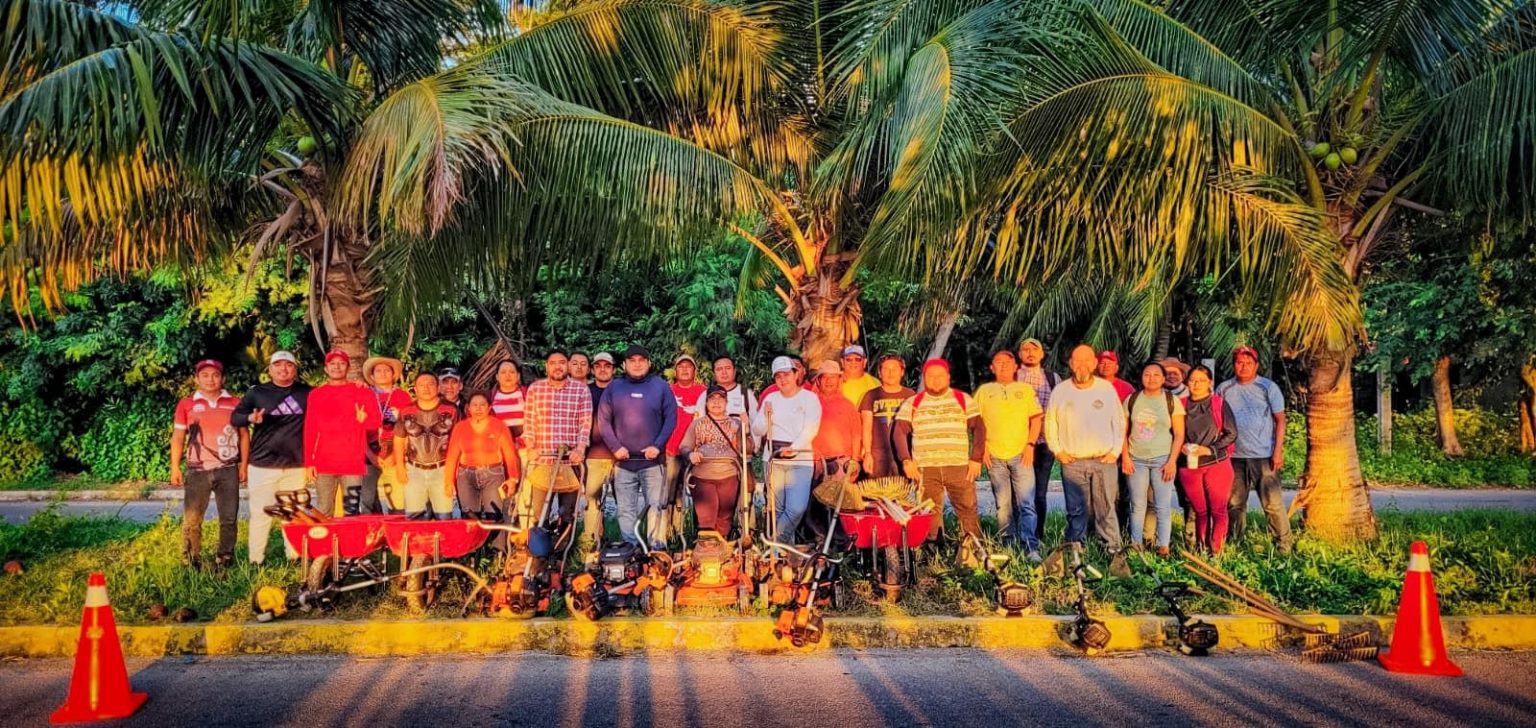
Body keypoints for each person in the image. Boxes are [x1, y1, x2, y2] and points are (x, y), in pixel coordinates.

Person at [893, 358, 986, 565]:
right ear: (924, 378)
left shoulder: (962, 399)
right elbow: (899, 432)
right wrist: (906, 460)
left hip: (959, 466)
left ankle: (973, 552)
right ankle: (933, 555)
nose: (935, 380)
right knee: (929, 512)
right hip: (926, 468)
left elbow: (979, 428)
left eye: (940, 375)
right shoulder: (914, 403)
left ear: (948, 377)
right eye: (930, 376)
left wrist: (976, 458)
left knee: (967, 508)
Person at [1044, 344, 1127, 558]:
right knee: (1076, 509)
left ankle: (1112, 548)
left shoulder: (1105, 389)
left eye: (1087, 360)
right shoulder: (1060, 391)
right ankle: (1075, 548)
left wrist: (1115, 451)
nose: (1082, 365)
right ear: (1071, 364)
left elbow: (1119, 421)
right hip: (1072, 461)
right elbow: (1050, 422)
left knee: (1106, 507)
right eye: (1077, 360)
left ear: (1094, 363)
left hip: (1104, 459)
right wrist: (1057, 450)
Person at [233, 351, 311, 564]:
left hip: (296, 465)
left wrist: (358, 385)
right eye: (278, 364)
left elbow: (332, 400)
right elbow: (236, 417)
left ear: (295, 369)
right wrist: (250, 417)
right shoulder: (257, 392)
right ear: (269, 369)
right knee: (261, 513)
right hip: (262, 465)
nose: (283, 369)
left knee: (293, 514)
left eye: (289, 365)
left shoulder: (307, 392)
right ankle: (255, 560)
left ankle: (294, 557)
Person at [596, 345, 678, 548]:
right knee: (625, 510)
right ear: (624, 365)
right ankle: (630, 549)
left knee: (656, 507)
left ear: (649, 363)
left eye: (641, 360)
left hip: (653, 462)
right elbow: (603, 420)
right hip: (623, 463)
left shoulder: (660, 386)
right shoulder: (614, 388)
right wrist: (615, 447)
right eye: (632, 360)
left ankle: (656, 550)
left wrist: (658, 446)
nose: (637, 364)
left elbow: (671, 418)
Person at [169, 359, 247, 569]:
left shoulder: (235, 402)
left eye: (215, 375)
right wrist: (174, 466)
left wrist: (243, 465)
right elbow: (178, 436)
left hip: (228, 469)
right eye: (204, 375)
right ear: (196, 379)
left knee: (229, 518)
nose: (210, 379)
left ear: (222, 378)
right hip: (198, 470)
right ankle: (191, 559)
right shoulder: (186, 404)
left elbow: (243, 435)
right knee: (192, 518)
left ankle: (225, 558)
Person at [1217, 346, 1292, 552]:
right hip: (1233, 456)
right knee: (1234, 504)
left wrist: (1277, 451)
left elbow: (1280, 420)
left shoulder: (1267, 387)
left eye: (1249, 363)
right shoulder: (1224, 388)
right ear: (1234, 365)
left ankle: (1283, 546)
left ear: (1256, 366)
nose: (1244, 366)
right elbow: (1216, 418)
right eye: (1239, 362)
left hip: (1263, 456)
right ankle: (1235, 545)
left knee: (1272, 504)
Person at [975, 350, 1044, 559]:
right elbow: (976, 422)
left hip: (1021, 455)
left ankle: (1030, 547)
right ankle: (1008, 546)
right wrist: (982, 448)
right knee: (1003, 505)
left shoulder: (1025, 390)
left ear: (1015, 367)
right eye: (998, 362)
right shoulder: (984, 391)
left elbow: (1036, 419)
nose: (1003, 365)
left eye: (1008, 362)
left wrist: (1030, 445)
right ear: (992, 368)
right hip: (994, 456)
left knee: (1026, 504)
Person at [304, 351, 382, 516]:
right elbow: (310, 429)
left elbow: (375, 423)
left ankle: (351, 535)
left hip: (352, 463)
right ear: (326, 368)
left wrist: (363, 420)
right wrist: (309, 462)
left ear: (348, 367)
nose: (337, 367)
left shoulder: (362, 391)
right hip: (324, 462)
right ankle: (325, 535)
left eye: (341, 363)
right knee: (324, 511)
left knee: (351, 511)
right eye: (332, 363)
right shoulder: (316, 394)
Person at [752, 355, 822, 540]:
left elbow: (811, 429)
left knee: (796, 508)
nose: (783, 380)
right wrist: (765, 416)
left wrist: (794, 448)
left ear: (796, 374)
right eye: (778, 376)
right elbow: (757, 429)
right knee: (777, 508)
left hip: (800, 459)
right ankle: (782, 552)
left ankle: (775, 542)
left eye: (786, 374)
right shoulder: (771, 398)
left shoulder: (809, 398)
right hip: (773, 459)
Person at [1121, 362, 1186, 557]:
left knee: (1162, 505)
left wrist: (1172, 461)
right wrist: (1125, 457)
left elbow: (1179, 434)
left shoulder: (1172, 401)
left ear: (1163, 379)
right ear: (1141, 377)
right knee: (1137, 505)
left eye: (1156, 375)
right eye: (1147, 374)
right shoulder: (1132, 400)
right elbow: (1123, 431)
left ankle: (1163, 545)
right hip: (1136, 459)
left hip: (1162, 459)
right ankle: (1136, 544)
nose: (1151, 378)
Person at [523, 349, 592, 527]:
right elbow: (529, 422)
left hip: (570, 461)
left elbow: (584, 423)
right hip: (543, 460)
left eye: (561, 363)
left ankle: (564, 543)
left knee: (567, 513)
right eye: (553, 363)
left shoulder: (581, 390)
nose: (557, 367)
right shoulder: (535, 389)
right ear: (546, 366)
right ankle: (540, 543)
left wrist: (580, 449)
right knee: (539, 513)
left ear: (567, 365)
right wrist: (530, 447)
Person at [678, 386, 754, 534]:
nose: (716, 402)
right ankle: (707, 545)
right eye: (712, 399)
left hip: (729, 474)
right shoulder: (697, 424)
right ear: (706, 403)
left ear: (726, 403)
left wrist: (745, 430)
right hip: (702, 476)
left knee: (724, 518)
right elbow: (684, 446)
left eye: (721, 399)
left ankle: (721, 545)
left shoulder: (736, 424)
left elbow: (748, 449)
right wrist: (690, 454)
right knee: (706, 518)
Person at [1179, 365, 1238, 554]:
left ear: (1210, 383)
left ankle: (1216, 551)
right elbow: (1173, 433)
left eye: (1201, 380)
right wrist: (1181, 446)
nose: (1196, 384)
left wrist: (1210, 449)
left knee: (1218, 510)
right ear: (1186, 383)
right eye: (1192, 380)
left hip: (1216, 463)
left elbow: (1231, 433)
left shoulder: (1218, 404)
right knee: (1200, 511)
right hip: (1190, 465)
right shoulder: (1180, 404)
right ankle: (1202, 549)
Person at [1015, 338, 1062, 544]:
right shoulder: (1013, 377)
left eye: (1035, 350)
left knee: (1039, 493)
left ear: (1042, 354)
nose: (1030, 353)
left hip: (1044, 444)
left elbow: (1060, 409)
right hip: (1017, 444)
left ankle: (1037, 536)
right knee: (1018, 493)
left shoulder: (1053, 378)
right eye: (1025, 349)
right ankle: (1018, 535)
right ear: (1020, 354)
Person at [393, 372, 459, 519]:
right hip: (414, 470)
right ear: (415, 389)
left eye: (430, 384)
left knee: (444, 516)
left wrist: (452, 472)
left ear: (438, 387)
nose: (426, 388)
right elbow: (399, 439)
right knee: (414, 517)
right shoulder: (406, 411)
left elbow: (458, 442)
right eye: (421, 385)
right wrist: (400, 466)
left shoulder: (451, 410)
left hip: (442, 470)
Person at [444, 392, 520, 518]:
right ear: (468, 408)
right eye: (474, 405)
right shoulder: (460, 427)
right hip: (466, 476)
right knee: (470, 517)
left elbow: (509, 453)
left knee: (494, 516)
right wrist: (449, 481)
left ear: (489, 408)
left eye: (482, 405)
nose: (478, 408)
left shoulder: (499, 426)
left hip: (493, 475)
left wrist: (513, 478)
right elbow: (452, 456)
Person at [664, 354, 707, 537]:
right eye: (681, 366)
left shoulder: (703, 392)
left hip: (695, 450)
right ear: (675, 371)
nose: (684, 369)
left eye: (688, 366)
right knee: (669, 492)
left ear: (694, 371)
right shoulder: (667, 391)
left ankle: (698, 533)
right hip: (671, 449)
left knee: (698, 493)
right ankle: (668, 533)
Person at [363, 356, 412, 514]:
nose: (382, 374)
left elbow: (409, 429)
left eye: (387, 370)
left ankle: (396, 528)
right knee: (367, 501)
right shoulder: (364, 395)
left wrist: (397, 455)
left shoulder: (403, 396)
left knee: (397, 502)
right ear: (372, 376)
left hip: (394, 451)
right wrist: (370, 455)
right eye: (378, 371)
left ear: (393, 374)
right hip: (368, 452)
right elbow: (357, 429)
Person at [581, 352, 619, 549]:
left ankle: (628, 543)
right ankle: (591, 544)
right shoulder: (585, 392)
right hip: (594, 455)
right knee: (592, 501)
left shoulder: (621, 390)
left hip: (621, 456)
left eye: (607, 366)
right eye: (598, 366)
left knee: (625, 502)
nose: (603, 369)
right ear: (592, 369)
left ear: (614, 369)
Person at [860, 354, 915, 479]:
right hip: (878, 455)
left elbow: (916, 427)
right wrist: (867, 453)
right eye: (886, 369)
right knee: (876, 489)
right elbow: (866, 427)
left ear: (902, 372)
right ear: (879, 373)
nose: (890, 373)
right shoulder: (871, 395)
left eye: (894, 369)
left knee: (904, 489)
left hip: (903, 456)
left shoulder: (910, 395)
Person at [811, 360, 862, 480]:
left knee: (841, 492)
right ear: (818, 381)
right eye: (824, 377)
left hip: (842, 464)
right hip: (814, 464)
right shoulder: (809, 403)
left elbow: (856, 435)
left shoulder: (848, 405)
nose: (828, 381)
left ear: (839, 380)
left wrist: (854, 462)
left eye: (833, 377)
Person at [711, 355, 757, 420]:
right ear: (713, 374)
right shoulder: (706, 395)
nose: (724, 372)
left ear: (734, 371)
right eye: (719, 369)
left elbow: (756, 422)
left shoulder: (746, 393)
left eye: (728, 368)